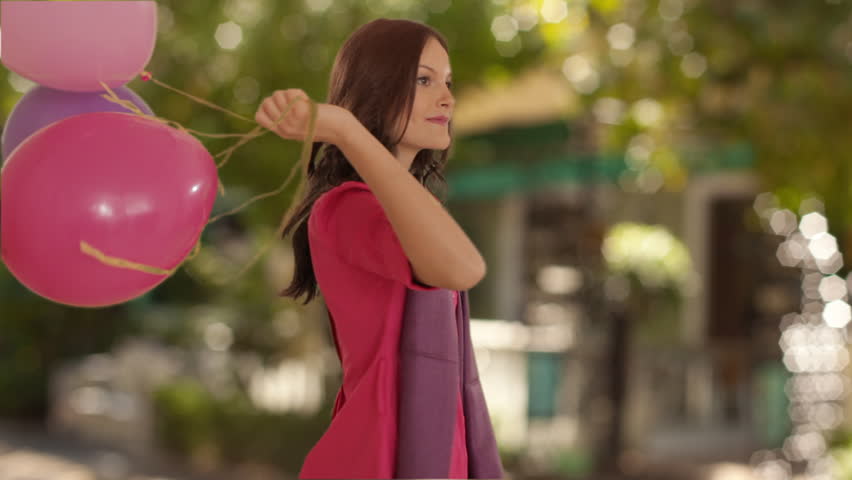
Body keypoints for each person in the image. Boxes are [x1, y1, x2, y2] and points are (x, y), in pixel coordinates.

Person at [255, 18, 504, 480]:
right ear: (376, 88)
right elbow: (463, 268)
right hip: (376, 461)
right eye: (424, 80)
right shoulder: (347, 209)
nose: (447, 97)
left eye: (448, 82)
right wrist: (347, 131)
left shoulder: (408, 210)